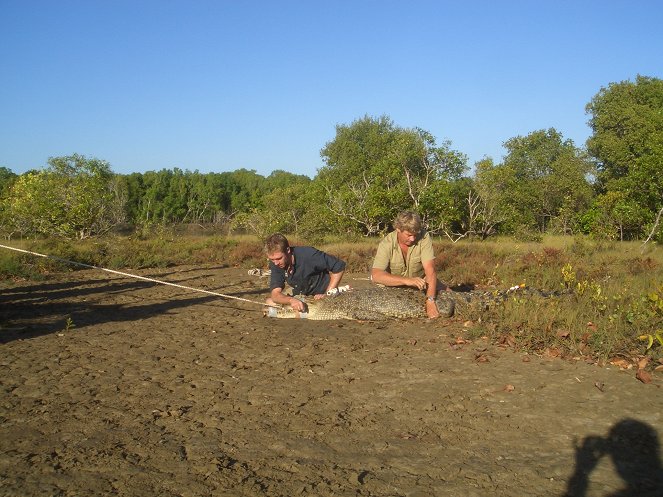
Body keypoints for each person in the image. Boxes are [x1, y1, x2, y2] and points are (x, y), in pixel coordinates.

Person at [371, 211, 449, 319]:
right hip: (394, 285)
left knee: (449, 293)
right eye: (409, 235)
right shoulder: (386, 243)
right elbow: (376, 275)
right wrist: (406, 280)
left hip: (421, 282)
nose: (413, 239)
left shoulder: (424, 237)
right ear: (398, 229)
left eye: (415, 235)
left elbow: (430, 270)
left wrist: (430, 300)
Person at [265, 233, 346, 312]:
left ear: (288, 250)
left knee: (276, 308)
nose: (276, 263)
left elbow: (339, 266)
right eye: (272, 259)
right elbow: (275, 294)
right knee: (269, 302)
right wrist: (291, 300)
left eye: (279, 258)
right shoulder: (276, 263)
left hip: (322, 293)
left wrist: (328, 294)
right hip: (302, 294)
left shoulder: (308, 254)